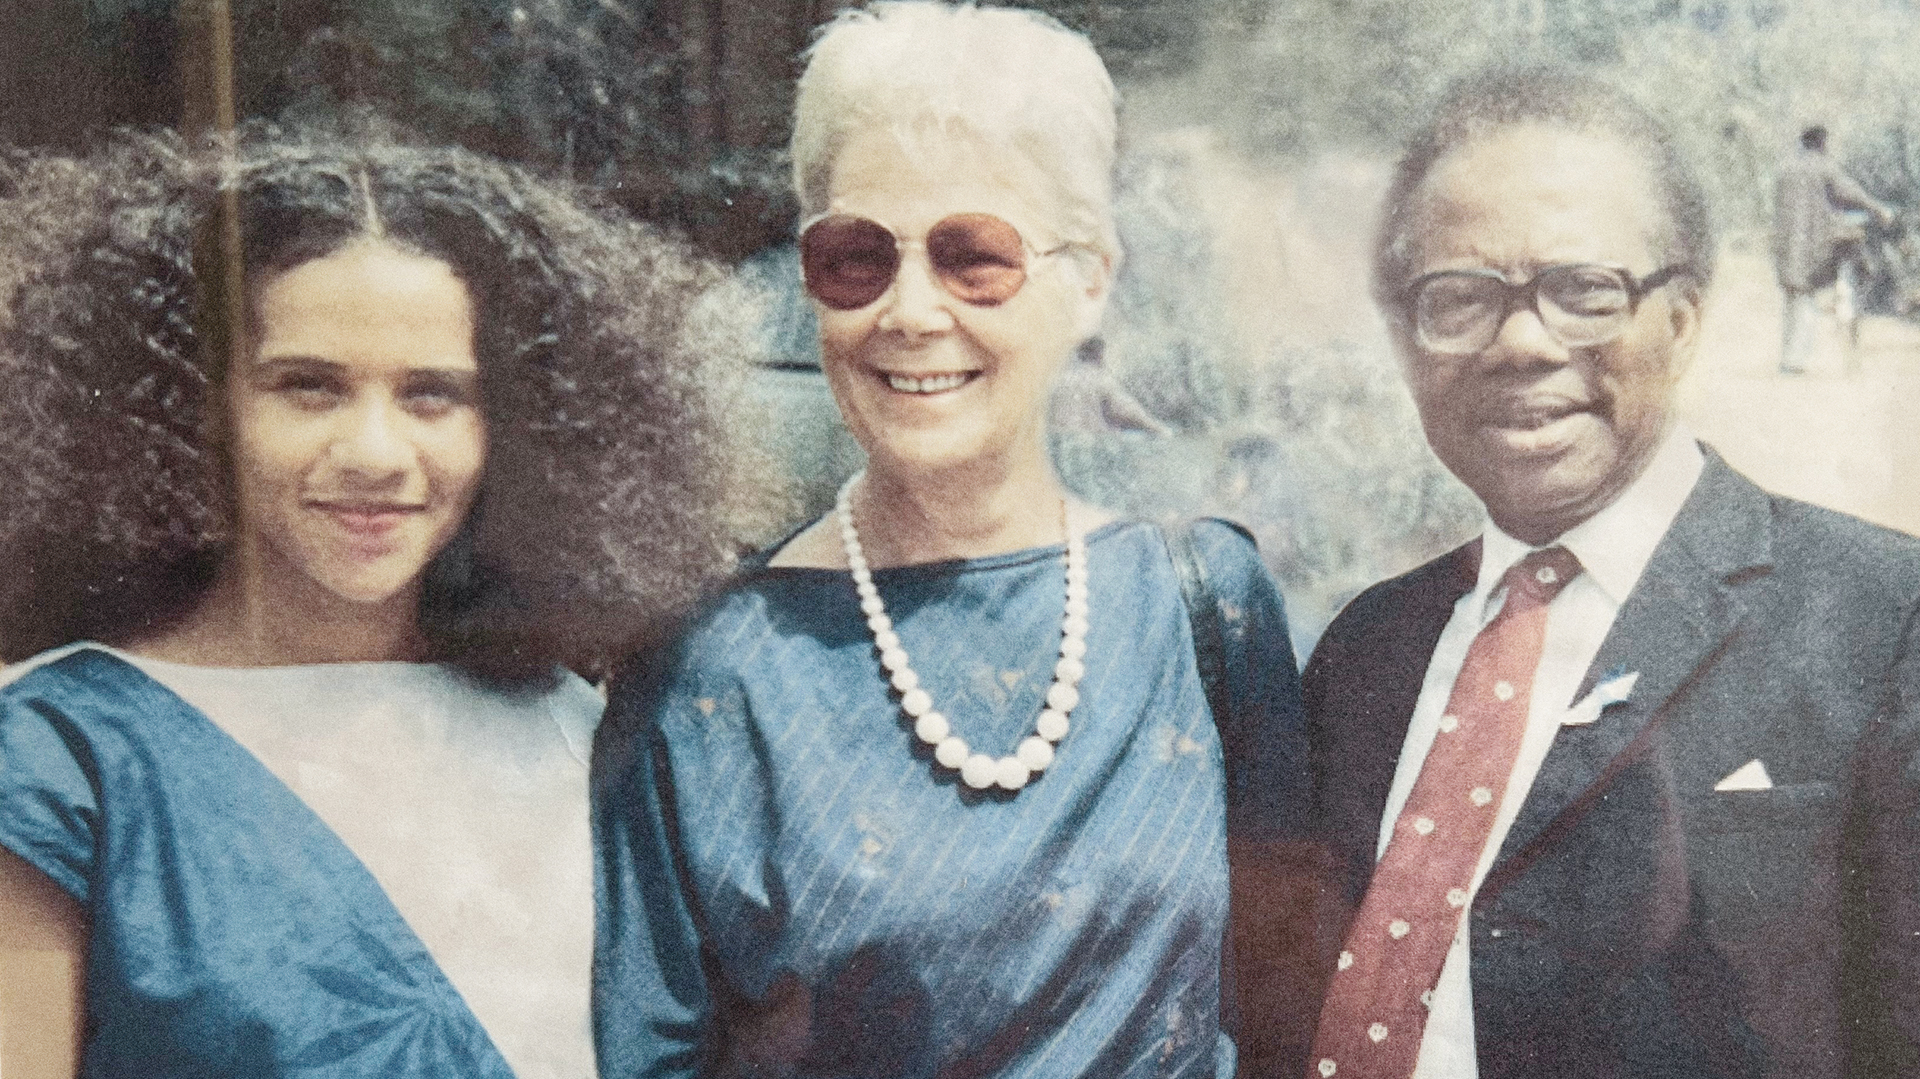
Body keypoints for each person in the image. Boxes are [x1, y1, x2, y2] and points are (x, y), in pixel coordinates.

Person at [592, 4, 1311, 1077]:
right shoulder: (711, 667)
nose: (911, 311)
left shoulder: (1204, 603)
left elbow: (1288, 1013)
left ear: (1090, 279)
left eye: (975, 258)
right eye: (856, 258)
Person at [0, 126, 743, 1078]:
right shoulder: (56, 760)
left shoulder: (585, 727)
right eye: (308, 388)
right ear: (191, 407)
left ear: (514, 425)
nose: (375, 454)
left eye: (433, 395)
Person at [1296, 69, 1920, 1079]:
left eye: (1584, 290)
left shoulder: (1884, 620)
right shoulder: (1368, 648)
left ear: (1680, 319)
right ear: (1405, 340)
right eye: (1458, 298)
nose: (1522, 343)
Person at [1773, 124, 1894, 373]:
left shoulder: (1785, 170)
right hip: (1811, 245)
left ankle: (1788, 358)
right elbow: (1849, 194)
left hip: (1786, 245)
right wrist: (1878, 209)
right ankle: (1796, 361)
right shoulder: (1824, 168)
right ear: (1821, 143)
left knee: (1793, 300)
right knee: (1805, 298)